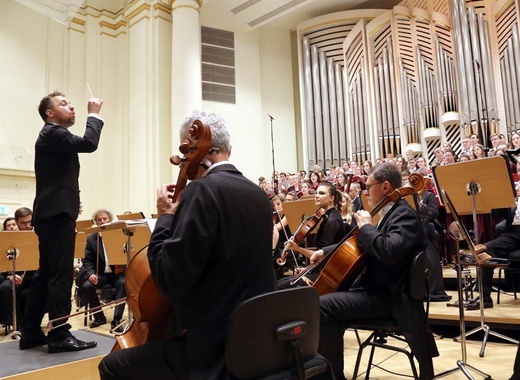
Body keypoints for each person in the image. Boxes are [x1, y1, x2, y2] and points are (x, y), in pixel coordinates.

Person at [98, 110, 276, 379]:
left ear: (198, 152)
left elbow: (169, 277)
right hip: (254, 343)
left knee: (111, 367)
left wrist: (165, 217)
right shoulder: (258, 194)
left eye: (185, 153)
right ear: (229, 149)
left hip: (211, 349)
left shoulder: (202, 190)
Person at [311, 163, 438, 379]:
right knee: (326, 301)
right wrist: (326, 251)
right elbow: (364, 245)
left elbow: (387, 250)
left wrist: (367, 227)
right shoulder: (392, 212)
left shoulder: (404, 214)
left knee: (323, 306)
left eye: (369, 186)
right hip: (381, 291)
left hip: (393, 299)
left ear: (386, 186)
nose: (366, 192)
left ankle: (332, 376)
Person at [19, 91, 104, 353]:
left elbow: (57, 178)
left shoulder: (54, 137)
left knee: (46, 274)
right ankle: (59, 333)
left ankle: (31, 331)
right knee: (61, 273)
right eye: (64, 103)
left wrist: (69, 201)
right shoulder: (53, 132)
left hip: (53, 211)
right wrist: (94, 115)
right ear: (50, 113)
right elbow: (89, 143)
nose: (72, 106)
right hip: (55, 215)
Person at [77, 209, 127, 331]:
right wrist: (91, 274)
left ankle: (116, 318)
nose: (102, 221)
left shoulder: (119, 236)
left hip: (116, 274)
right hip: (100, 274)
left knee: (123, 283)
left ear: (110, 220)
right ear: (96, 222)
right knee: (87, 286)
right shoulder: (91, 238)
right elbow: (87, 260)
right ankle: (99, 317)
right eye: (99, 220)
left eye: (105, 219)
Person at [0, 207, 36, 327]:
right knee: (5, 287)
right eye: (23, 223)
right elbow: (4, 260)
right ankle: (17, 324)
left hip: (34, 276)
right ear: (17, 222)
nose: (27, 226)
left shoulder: (38, 235)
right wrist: (10, 275)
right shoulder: (11, 239)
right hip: (16, 276)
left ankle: (33, 323)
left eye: (30, 222)